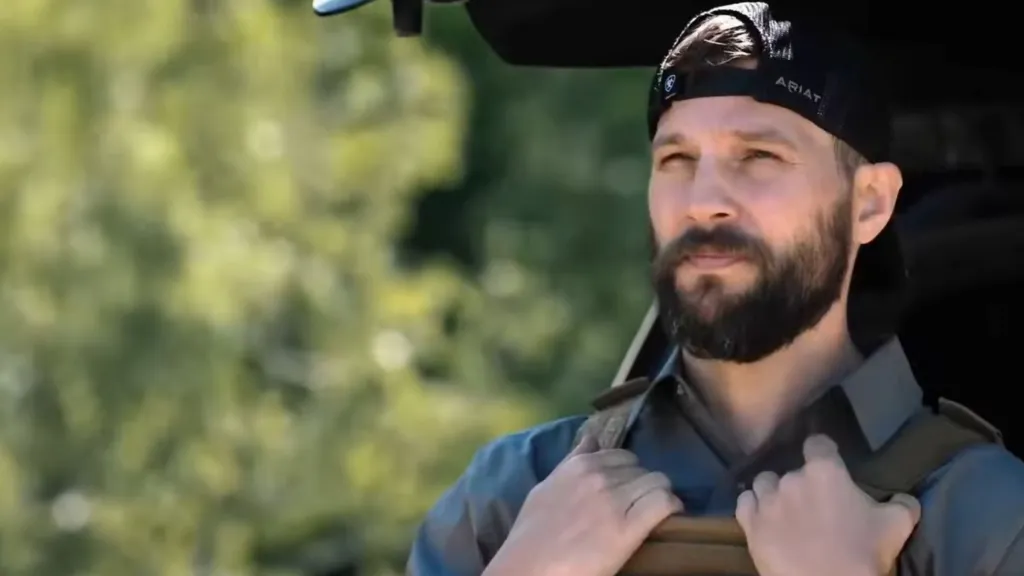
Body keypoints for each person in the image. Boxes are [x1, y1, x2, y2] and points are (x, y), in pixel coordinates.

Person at [405, 3, 1024, 575]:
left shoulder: (988, 517)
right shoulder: (515, 496)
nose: (703, 202)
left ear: (869, 203)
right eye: (676, 160)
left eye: (758, 156)